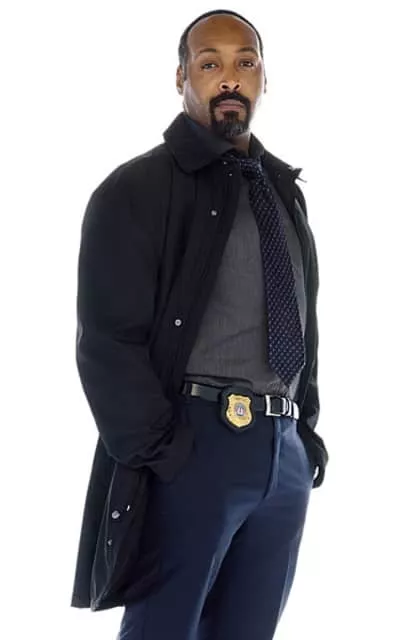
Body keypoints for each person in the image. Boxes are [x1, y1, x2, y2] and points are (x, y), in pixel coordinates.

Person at [70, 8, 329, 640]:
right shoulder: (135, 189)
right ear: (182, 77)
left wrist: (305, 432)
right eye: (210, 63)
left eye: (246, 62)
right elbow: (106, 343)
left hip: (283, 456)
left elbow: (304, 316)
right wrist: (166, 454)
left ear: (264, 78)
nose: (230, 77)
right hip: (193, 445)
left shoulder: (281, 189)